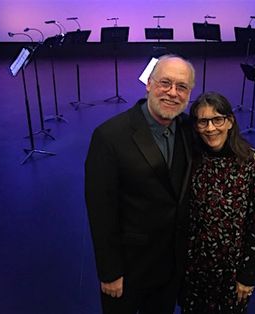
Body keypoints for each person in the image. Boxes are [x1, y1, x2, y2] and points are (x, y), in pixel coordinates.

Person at [85, 54, 195, 314]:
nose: (172, 93)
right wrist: (110, 271)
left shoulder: (190, 128)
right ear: (148, 83)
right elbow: (100, 211)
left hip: (170, 267)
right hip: (128, 269)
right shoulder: (109, 136)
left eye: (182, 87)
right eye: (165, 83)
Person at [180, 92, 255, 313]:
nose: (210, 128)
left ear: (230, 121)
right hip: (194, 268)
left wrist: (247, 275)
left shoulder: (252, 163)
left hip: (231, 270)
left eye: (217, 119)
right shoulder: (191, 158)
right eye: (203, 121)